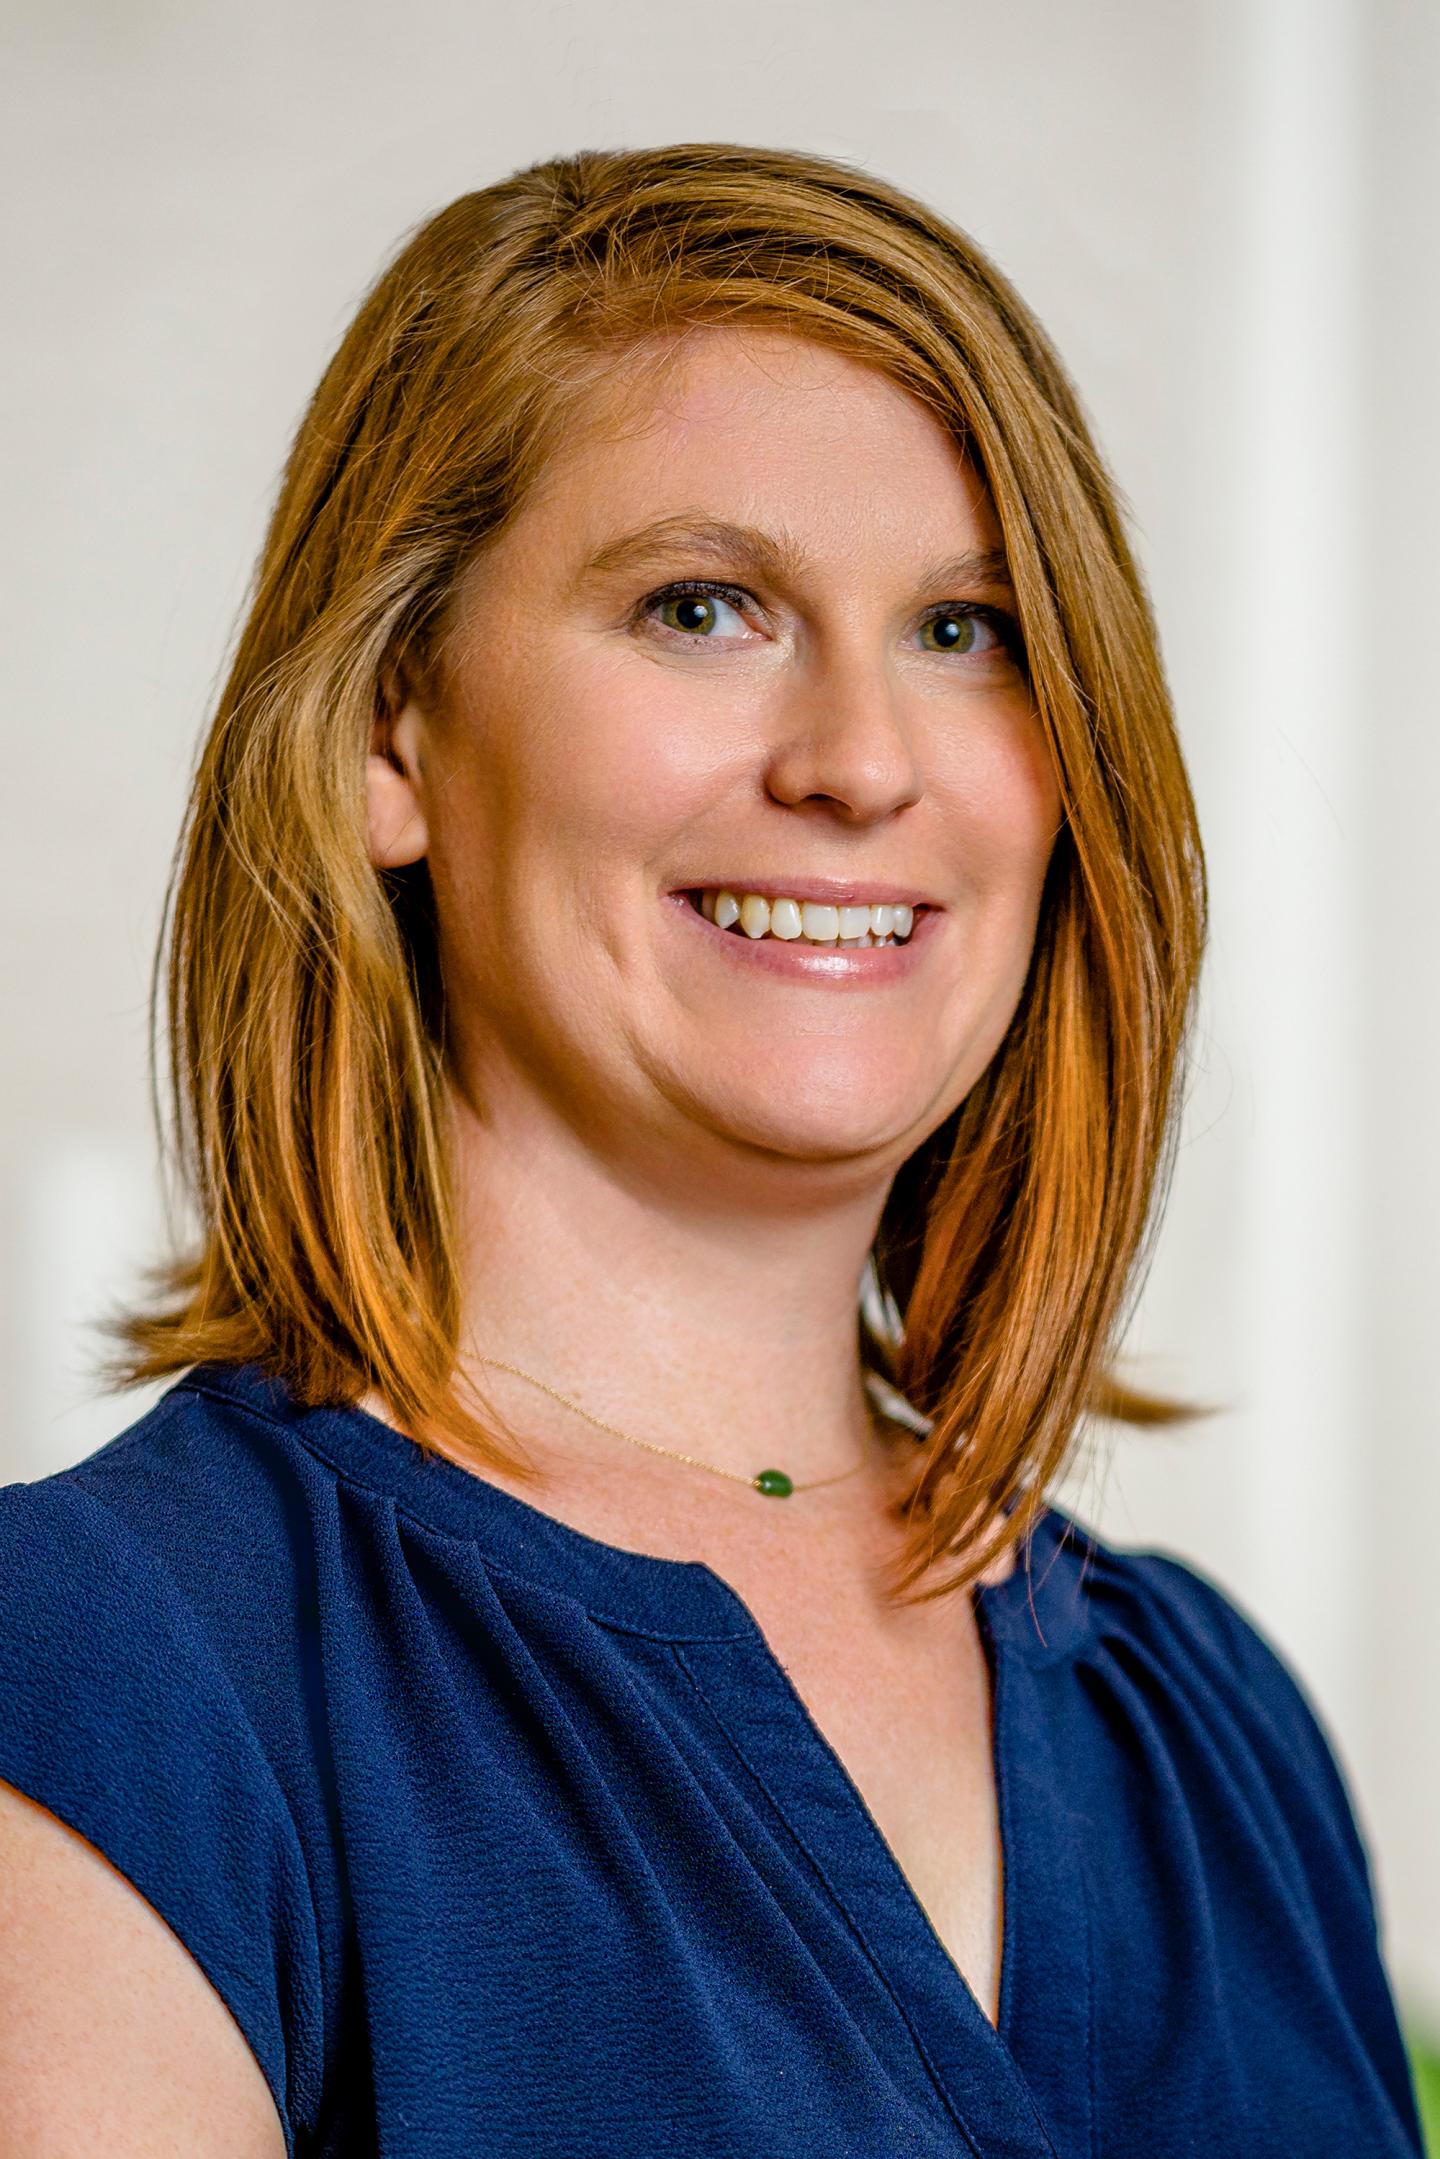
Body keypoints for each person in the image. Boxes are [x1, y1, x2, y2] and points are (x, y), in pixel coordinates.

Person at [0, 142, 1424, 2158]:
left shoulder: (1214, 1729)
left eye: (968, 630)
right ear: (392, 737)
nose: (857, 758)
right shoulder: (112, 1671)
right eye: (704, 606)